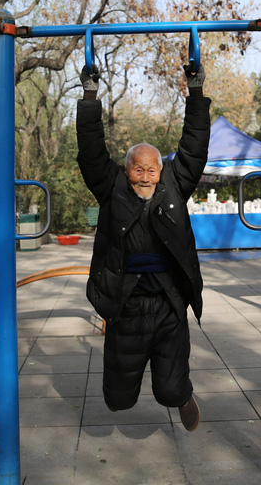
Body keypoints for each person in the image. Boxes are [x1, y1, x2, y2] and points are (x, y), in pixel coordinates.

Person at [76, 62, 209, 431]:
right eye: (138, 170)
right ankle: (125, 395)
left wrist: (195, 93)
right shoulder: (111, 189)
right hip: (126, 303)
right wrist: (89, 97)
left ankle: (181, 396)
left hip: (168, 303)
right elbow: (90, 151)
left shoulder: (174, 187)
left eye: (152, 170)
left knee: (170, 389)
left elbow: (194, 148)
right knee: (117, 399)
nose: (146, 177)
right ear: (125, 169)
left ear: (161, 171)